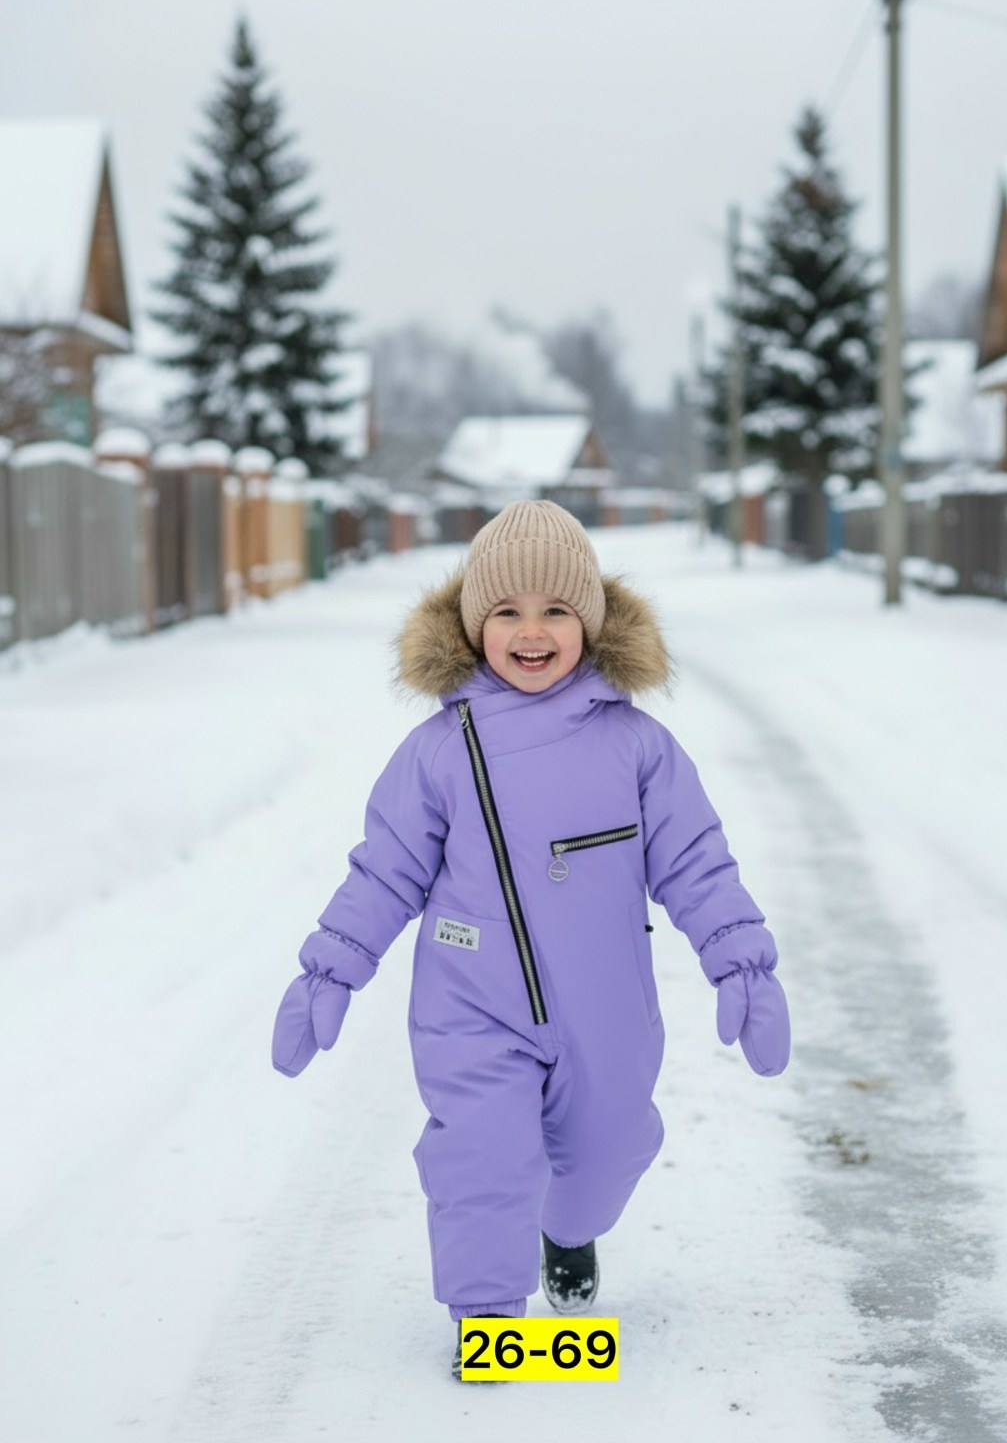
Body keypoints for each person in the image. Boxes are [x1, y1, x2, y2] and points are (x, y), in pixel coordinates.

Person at [271, 499, 791, 1380]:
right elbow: (385, 868)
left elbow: (698, 862)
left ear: (589, 622)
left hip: (606, 1009)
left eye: (555, 610)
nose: (532, 631)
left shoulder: (639, 748)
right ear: (475, 628)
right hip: (471, 1007)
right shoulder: (441, 750)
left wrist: (739, 960)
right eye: (506, 612)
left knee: (611, 1147)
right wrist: (331, 971)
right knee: (479, 1156)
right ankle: (491, 1328)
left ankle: (568, 1230)